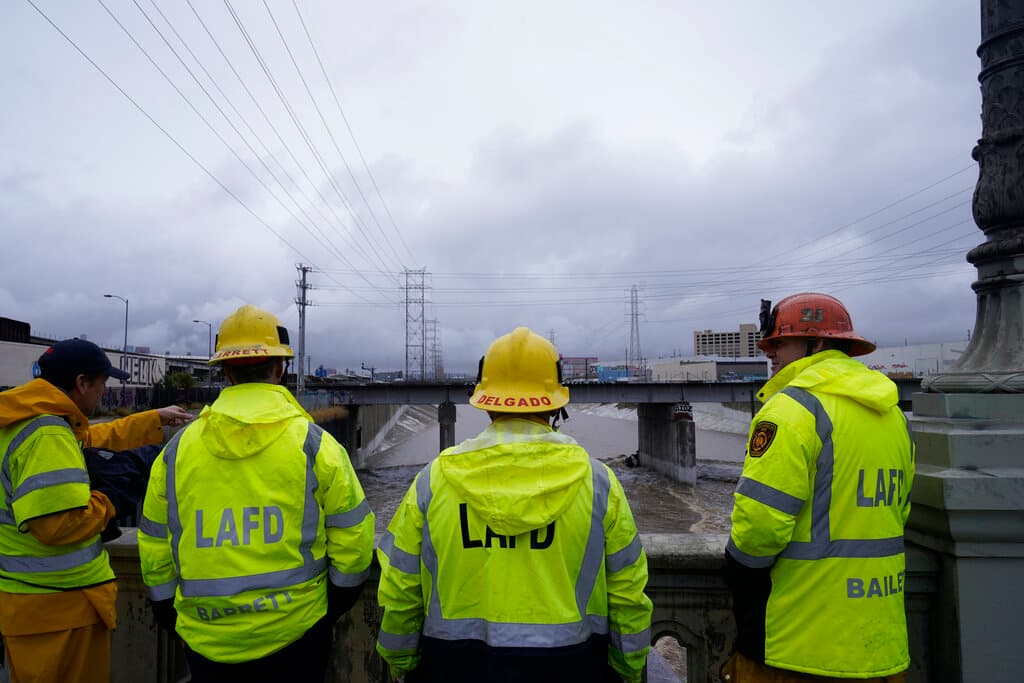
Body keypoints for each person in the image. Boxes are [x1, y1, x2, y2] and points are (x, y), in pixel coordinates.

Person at [376, 326, 652, 683]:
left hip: (453, 667)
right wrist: (628, 671)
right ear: (555, 402)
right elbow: (628, 594)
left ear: (485, 400)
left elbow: (401, 589)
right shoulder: (598, 484)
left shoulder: (434, 481)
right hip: (574, 667)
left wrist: (403, 664)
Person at [138, 304, 374, 682]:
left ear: (225, 370)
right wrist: (333, 605)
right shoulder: (314, 446)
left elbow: (155, 545)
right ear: (280, 368)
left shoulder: (176, 452)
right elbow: (355, 540)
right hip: (297, 634)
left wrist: (169, 610)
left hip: (207, 638)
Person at [723, 293, 915, 682]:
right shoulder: (893, 417)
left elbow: (758, 530)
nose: (770, 353)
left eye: (781, 342)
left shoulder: (791, 411)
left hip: (799, 646)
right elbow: (899, 513)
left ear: (818, 344)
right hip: (881, 644)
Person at [0, 338, 192, 683]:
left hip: (32, 606)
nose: (104, 392)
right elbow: (57, 526)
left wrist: (153, 420)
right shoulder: (46, 434)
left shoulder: (26, 421)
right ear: (82, 383)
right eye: (102, 383)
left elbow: (93, 437)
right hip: (59, 612)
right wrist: (108, 498)